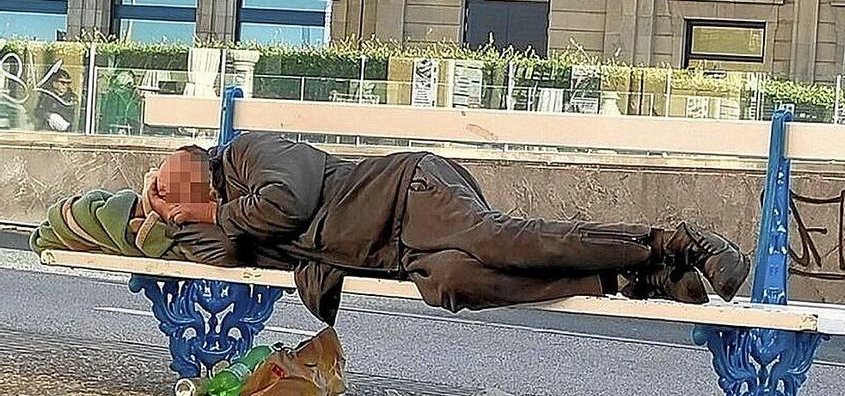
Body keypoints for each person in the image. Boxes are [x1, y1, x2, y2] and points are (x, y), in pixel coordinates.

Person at [148, 133, 750, 326]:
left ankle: (677, 242)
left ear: (197, 165)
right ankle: (635, 277)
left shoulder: (248, 153)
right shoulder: (234, 215)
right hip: (397, 253)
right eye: (169, 197)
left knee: (497, 241)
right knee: (460, 282)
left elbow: (290, 203)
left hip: (407, 192)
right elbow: (220, 252)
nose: (176, 200)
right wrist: (164, 216)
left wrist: (206, 214)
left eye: (174, 185)